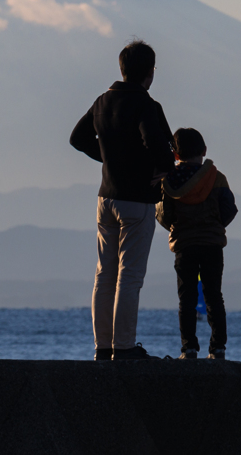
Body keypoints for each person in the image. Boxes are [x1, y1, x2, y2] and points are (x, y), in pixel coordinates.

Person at [70, 40, 175, 360]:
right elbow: (160, 147)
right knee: (129, 276)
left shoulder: (103, 101)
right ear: (149, 72)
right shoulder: (145, 104)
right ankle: (124, 347)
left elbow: (77, 138)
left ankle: (103, 347)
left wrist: (109, 158)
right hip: (137, 200)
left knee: (104, 275)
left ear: (122, 68)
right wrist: (159, 169)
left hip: (106, 197)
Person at [156, 128, 237, 360]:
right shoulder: (217, 178)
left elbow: (164, 215)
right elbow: (229, 210)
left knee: (187, 299)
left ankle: (188, 348)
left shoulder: (168, 181)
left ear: (175, 154)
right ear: (204, 151)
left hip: (184, 245)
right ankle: (218, 348)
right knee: (214, 296)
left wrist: (178, 227)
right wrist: (215, 226)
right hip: (212, 245)